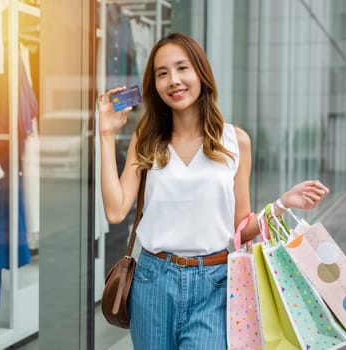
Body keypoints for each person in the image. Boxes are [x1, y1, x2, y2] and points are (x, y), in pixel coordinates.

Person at [97, 32, 329, 350]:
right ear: (154, 85)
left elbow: (240, 229)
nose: (174, 80)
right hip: (153, 282)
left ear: (201, 73)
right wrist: (107, 135)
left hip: (215, 283)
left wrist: (281, 204)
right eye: (162, 74)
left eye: (182, 68)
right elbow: (115, 209)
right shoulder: (147, 139)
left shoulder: (236, 141)